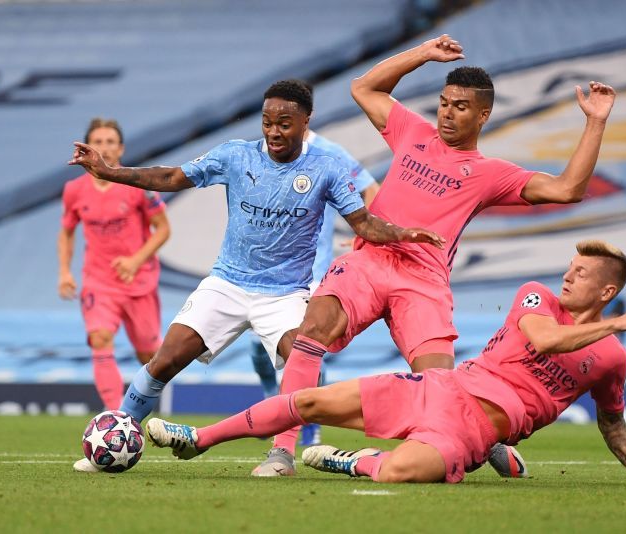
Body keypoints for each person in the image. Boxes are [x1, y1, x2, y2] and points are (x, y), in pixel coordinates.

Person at [255, 34, 618, 476]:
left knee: (442, 385)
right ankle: (282, 451)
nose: (447, 112)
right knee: (310, 334)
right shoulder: (412, 131)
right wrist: (423, 54)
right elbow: (364, 88)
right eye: (444, 103)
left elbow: (568, 189)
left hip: (422, 282)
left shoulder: (490, 174)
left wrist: (595, 121)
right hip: (370, 262)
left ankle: (481, 442)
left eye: (460, 107)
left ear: (483, 115)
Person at [68, 80, 444, 473]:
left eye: (284, 123)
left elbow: (363, 223)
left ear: (305, 121)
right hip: (227, 284)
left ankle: (282, 455)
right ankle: (115, 435)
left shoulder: (326, 168)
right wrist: (109, 172)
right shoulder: (236, 155)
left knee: (303, 362)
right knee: (164, 361)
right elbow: (172, 177)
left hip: (284, 295)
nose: (274, 131)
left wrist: (402, 234)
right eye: (267, 122)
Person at [146, 240, 626, 489]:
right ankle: (199, 439)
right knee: (312, 400)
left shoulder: (610, 358)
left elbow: (613, 424)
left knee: (404, 472)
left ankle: (352, 461)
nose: (568, 275)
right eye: (571, 266)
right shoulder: (537, 298)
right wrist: (615, 323)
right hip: (440, 386)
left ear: (607, 289)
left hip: (476, 429)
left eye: (582, 272)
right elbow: (546, 340)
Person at [248, 80, 380, 447]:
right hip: (264, 274)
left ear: (305, 116)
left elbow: (372, 190)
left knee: (304, 349)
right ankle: (273, 399)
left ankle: (307, 422)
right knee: (258, 353)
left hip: (311, 274)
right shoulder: (260, 151)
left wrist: (364, 234)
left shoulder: (330, 153)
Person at [58, 118, 170, 413]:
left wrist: (135, 260)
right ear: (86, 147)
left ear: (121, 148)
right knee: (100, 338)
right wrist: (65, 271)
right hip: (99, 281)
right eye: (97, 141)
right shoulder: (74, 190)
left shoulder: (138, 184)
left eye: (110, 141)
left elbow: (163, 229)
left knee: (149, 353)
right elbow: (67, 231)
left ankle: (144, 407)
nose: (104, 147)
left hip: (139, 281)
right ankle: (114, 415)